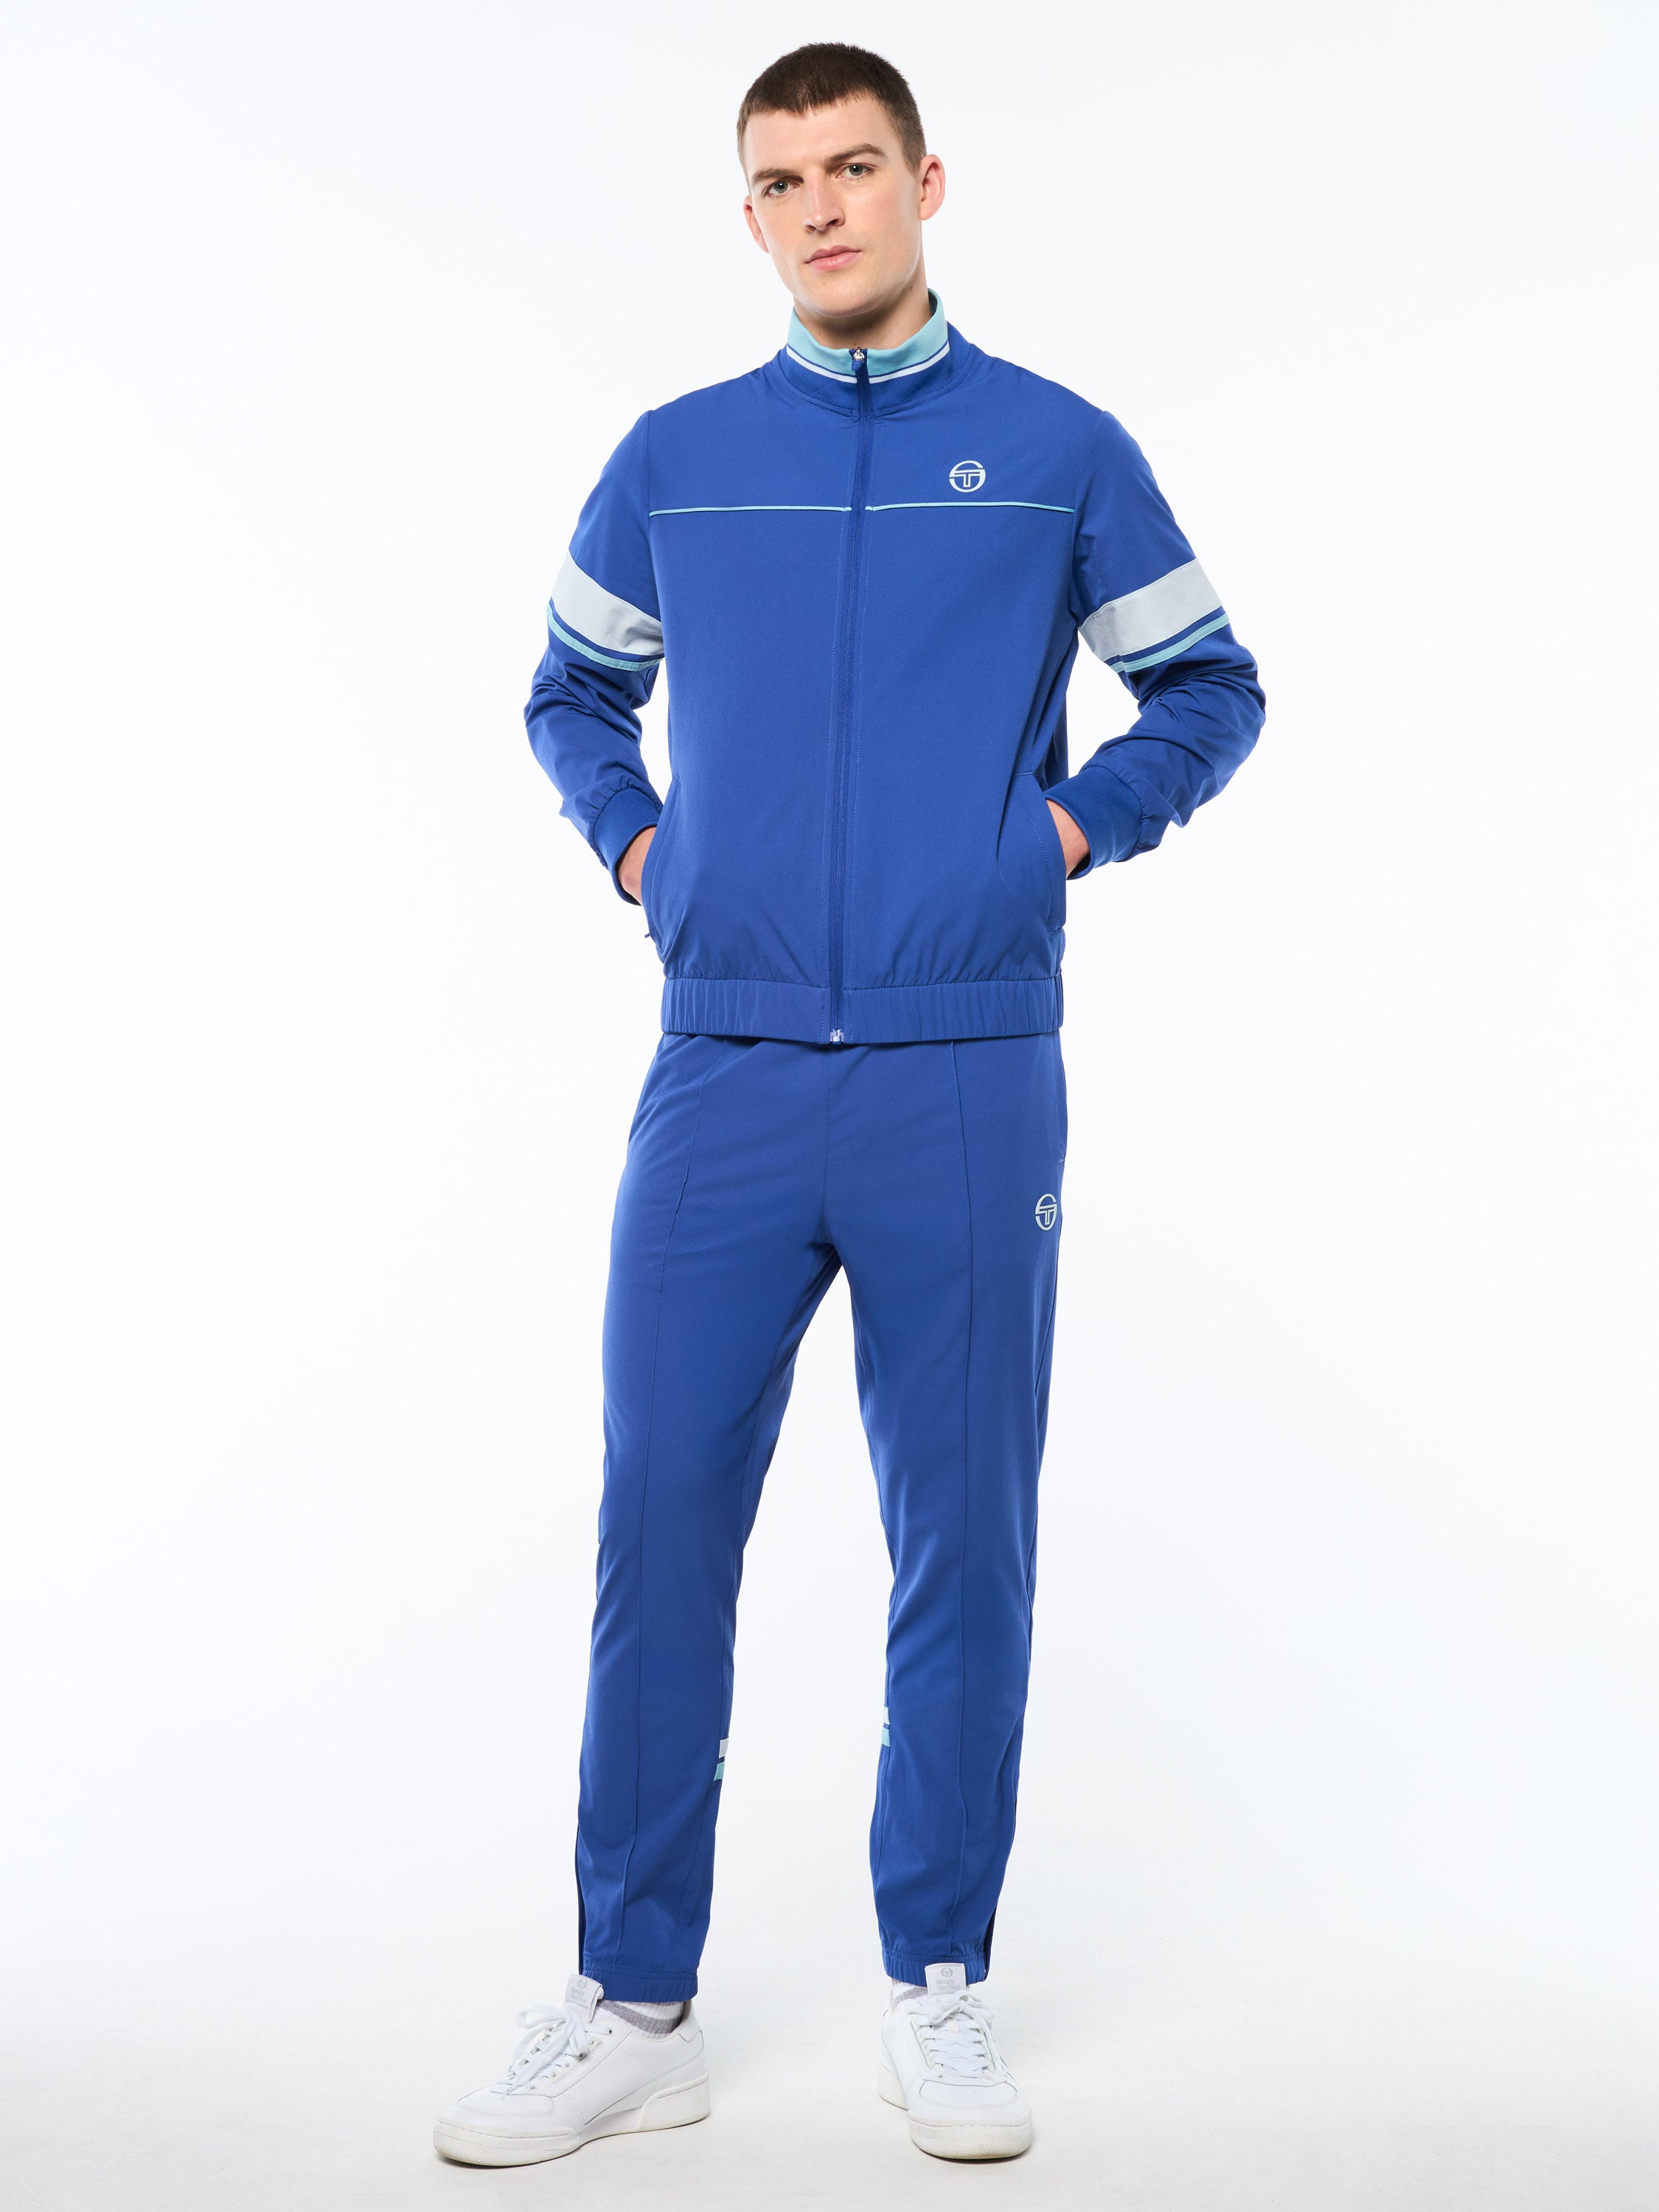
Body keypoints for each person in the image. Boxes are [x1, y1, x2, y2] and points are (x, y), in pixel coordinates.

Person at [434, 41, 1263, 2169]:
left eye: (853, 168)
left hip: (965, 1071)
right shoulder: (676, 456)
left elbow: (1209, 685)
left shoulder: (1060, 449)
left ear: (925, 183)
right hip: (719, 1068)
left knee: (961, 1537)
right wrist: (647, 855)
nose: (820, 207)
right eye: (781, 180)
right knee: (658, 1521)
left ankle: (941, 1986)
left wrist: (1055, 842)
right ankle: (634, 2004)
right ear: (750, 215)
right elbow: (569, 691)